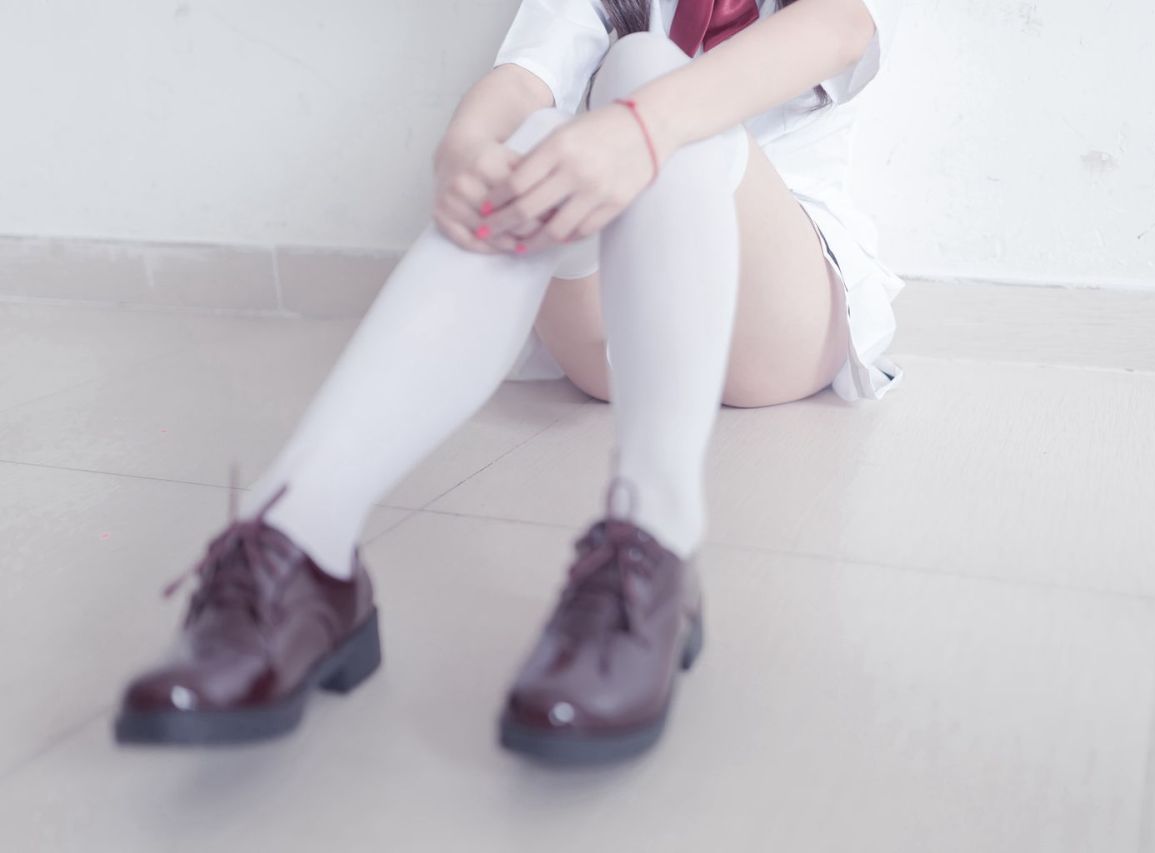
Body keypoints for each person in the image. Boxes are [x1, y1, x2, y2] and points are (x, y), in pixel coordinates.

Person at [114, 0, 905, 763]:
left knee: (646, 68)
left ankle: (655, 536)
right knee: (534, 138)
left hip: (776, 321)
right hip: (614, 328)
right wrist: (464, 149)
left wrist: (642, 124)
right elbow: (524, 79)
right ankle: (301, 537)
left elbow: (840, 24)